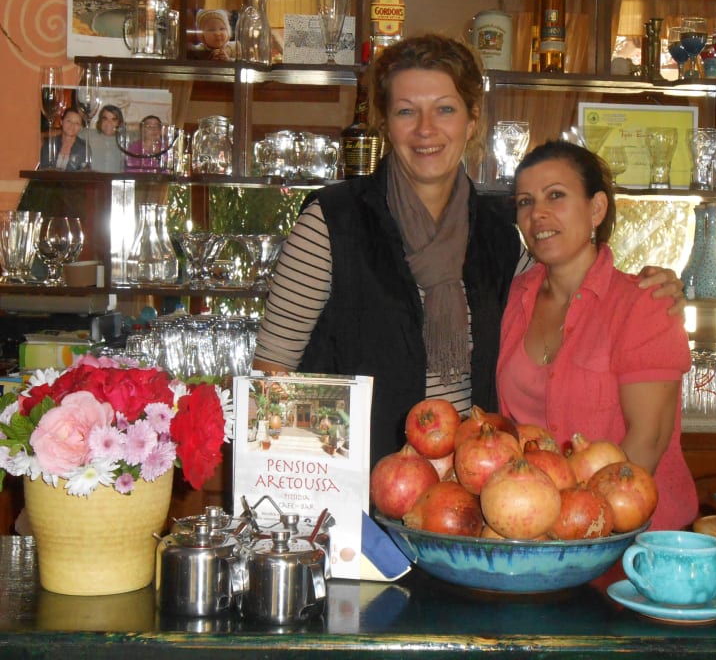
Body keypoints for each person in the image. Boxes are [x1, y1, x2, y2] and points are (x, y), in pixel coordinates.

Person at [252, 34, 684, 465]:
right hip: (358, 481)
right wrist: (313, 476)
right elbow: (272, 374)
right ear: (386, 124)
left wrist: (650, 291)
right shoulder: (332, 222)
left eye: (445, 109)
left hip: (473, 485)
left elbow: (568, 285)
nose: (426, 129)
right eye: (406, 111)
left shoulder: (499, 233)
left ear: (472, 120)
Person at [496, 140, 696, 531]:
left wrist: (574, 526)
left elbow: (648, 442)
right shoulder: (514, 296)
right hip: (534, 527)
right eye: (525, 202)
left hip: (630, 540)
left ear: (597, 209)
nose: (538, 214)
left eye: (556, 195)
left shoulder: (645, 304)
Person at [85, 104, 125, 173]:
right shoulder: (88, 135)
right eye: (105, 119)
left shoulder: (126, 140)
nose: (109, 123)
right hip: (93, 178)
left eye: (113, 119)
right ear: (100, 121)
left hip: (116, 179)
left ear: (119, 123)